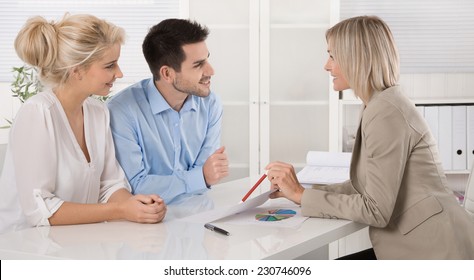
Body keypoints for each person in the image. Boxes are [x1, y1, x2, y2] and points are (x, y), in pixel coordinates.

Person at [265, 16, 474, 259]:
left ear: (357, 59)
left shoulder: (386, 111)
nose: (326, 65)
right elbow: (363, 186)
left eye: (332, 56)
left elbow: (376, 209)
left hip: (434, 252)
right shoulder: (380, 103)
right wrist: (300, 192)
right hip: (423, 243)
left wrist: (302, 195)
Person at [0, 14, 166, 234]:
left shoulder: (98, 112)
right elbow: (41, 211)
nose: (119, 73)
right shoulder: (38, 114)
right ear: (76, 70)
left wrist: (136, 206)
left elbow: (110, 183)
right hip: (28, 248)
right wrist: (120, 211)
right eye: (109, 66)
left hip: (76, 243)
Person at [107, 18, 229, 204]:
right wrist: (200, 178)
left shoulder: (210, 104)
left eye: (207, 60)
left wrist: (202, 176)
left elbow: (207, 171)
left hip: (198, 211)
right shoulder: (122, 110)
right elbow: (136, 186)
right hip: (144, 220)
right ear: (167, 74)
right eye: (198, 65)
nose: (211, 71)